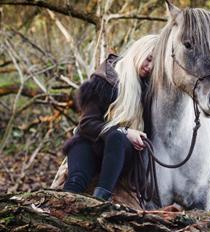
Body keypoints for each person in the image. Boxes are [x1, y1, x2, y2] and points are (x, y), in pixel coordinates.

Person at [63, 35, 156, 201]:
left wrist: (123, 135)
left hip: (121, 151)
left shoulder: (151, 91)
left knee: (117, 138)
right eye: (148, 59)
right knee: (75, 182)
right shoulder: (104, 79)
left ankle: (100, 201)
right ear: (138, 52)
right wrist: (125, 131)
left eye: (154, 64)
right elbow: (87, 124)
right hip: (91, 142)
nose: (149, 67)